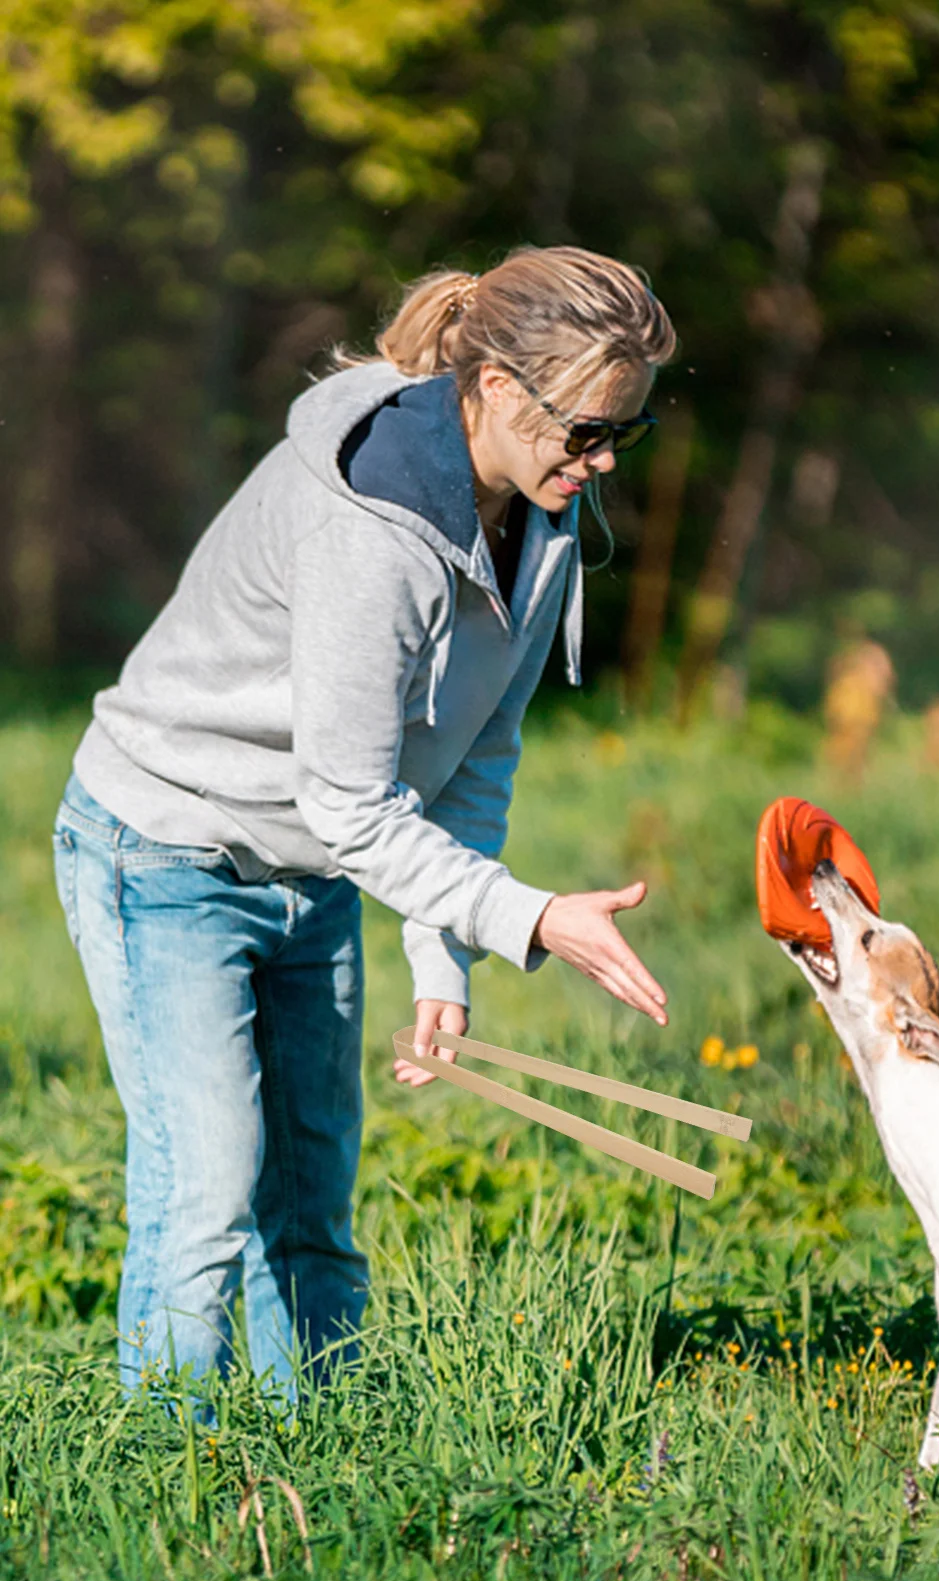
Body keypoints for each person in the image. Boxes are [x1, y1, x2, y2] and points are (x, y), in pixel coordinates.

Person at [51, 246, 676, 1400]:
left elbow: (472, 753)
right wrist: (530, 919)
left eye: (620, 438)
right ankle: (167, 1485)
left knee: (313, 1194)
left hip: (316, 871)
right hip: (170, 850)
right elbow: (349, 801)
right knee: (208, 1193)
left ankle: (327, 1458)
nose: (596, 464)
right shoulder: (372, 531)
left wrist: (444, 951)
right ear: (491, 388)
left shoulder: (536, 523)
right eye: (583, 430)